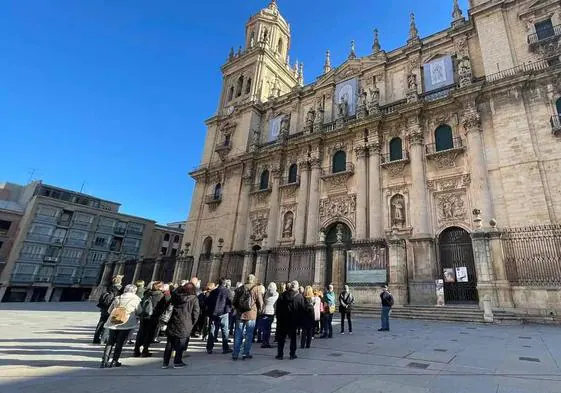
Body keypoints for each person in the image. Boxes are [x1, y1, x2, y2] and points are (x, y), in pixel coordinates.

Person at [100, 284, 141, 368]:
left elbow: (109, 311)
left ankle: (104, 361)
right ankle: (115, 361)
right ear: (134, 291)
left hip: (114, 322)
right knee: (120, 342)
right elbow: (139, 311)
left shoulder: (118, 298)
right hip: (126, 323)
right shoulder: (136, 299)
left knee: (110, 342)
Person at [162, 282, 200, 369]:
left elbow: (168, 305)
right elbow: (196, 313)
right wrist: (192, 323)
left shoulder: (175, 296)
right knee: (181, 343)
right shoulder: (194, 299)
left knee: (170, 343)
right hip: (185, 323)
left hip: (173, 321)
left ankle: (165, 362)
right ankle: (177, 361)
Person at [232, 274, 263, 361]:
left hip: (240, 314)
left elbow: (234, 302)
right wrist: (260, 311)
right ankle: (245, 353)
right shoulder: (256, 288)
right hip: (251, 314)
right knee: (249, 335)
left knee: (238, 334)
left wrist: (238, 308)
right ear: (253, 280)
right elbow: (260, 302)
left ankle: (235, 353)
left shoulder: (240, 288)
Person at [134, 281, 165, 357]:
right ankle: (145, 350)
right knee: (149, 333)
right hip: (153, 317)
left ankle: (136, 350)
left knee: (141, 332)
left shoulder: (147, 293)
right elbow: (162, 307)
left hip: (144, 315)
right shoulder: (160, 295)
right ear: (160, 287)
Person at [276, 280, 305, 360]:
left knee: (281, 338)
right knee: (293, 338)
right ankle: (292, 354)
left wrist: (279, 318)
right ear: (297, 287)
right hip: (293, 321)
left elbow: (278, 308)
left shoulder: (283, 295)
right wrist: (300, 322)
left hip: (283, 320)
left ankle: (280, 354)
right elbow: (302, 310)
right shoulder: (299, 297)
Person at [205, 278, 233, 354]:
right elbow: (230, 301)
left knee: (212, 330)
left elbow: (207, 302)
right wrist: (228, 309)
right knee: (224, 330)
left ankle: (209, 347)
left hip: (213, 313)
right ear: (224, 284)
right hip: (223, 313)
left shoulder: (213, 291)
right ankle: (225, 348)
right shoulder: (227, 291)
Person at [93, 276, 122, 344]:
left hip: (104, 308)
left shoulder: (109, 287)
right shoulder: (119, 289)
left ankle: (96, 338)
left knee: (101, 323)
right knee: (108, 324)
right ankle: (104, 339)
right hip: (111, 309)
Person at [260, 282, 278, 348]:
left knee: (264, 329)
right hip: (271, 312)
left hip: (264, 311)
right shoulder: (276, 294)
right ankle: (266, 342)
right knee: (268, 329)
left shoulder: (266, 293)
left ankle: (263, 342)